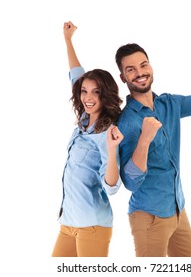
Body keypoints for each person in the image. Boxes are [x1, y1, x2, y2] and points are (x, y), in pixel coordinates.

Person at [115, 39, 191, 257]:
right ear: (123, 77)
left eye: (143, 65)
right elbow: (130, 182)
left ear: (151, 67)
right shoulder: (127, 122)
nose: (140, 73)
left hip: (177, 208)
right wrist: (144, 140)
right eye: (131, 70)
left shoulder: (169, 104)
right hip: (149, 216)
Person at [52, 21, 124, 257]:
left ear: (106, 96)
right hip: (68, 221)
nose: (88, 97)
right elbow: (77, 76)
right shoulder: (84, 119)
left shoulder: (107, 132)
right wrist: (68, 40)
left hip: (92, 225)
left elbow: (112, 187)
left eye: (96, 92)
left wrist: (112, 150)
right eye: (85, 91)